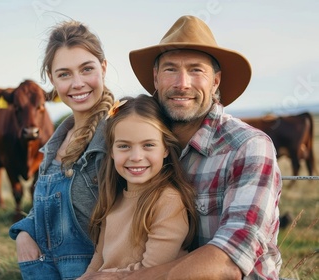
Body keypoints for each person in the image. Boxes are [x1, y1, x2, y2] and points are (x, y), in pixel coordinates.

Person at [79, 15, 282, 280]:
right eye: (170, 69)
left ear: (216, 81)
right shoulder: (142, 140)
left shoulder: (247, 147)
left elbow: (230, 261)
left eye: (196, 70)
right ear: (155, 77)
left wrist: (116, 278)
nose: (182, 83)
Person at [9, 20, 115, 280]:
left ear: (103, 67)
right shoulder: (55, 143)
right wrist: (24, 233)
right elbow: (45, 210)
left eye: (86, 69)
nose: (77, 83)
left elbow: (135, 215)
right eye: (64, 74)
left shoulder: (118, 134)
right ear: (52, 79)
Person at [80, 94, 198, 276]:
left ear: (165, 148)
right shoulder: (113, 197)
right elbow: (96, 264)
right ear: (111, 151)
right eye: (124, 146)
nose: (136, 157)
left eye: (148, 145)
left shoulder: (168, 201)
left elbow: (151, 272)